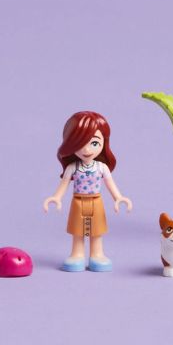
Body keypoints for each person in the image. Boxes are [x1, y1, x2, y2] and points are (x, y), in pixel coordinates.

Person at [43, 111, 132, 272]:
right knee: (77, 231)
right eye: (80, 143)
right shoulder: (72, 167)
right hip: (77, 202)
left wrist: (118, 197)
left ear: (104, 142)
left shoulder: (101, 167)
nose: (87, 149)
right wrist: (56, 197)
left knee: (96, 231)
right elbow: (64, 184)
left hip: (96, 202)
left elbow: (110, 184)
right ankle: (77, 255)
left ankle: (97, 255)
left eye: (94, 143)